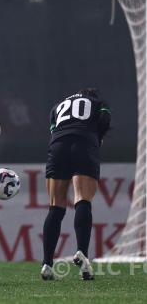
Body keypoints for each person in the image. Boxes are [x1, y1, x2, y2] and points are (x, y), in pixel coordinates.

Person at [41, 88, 111, 281]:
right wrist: (98, 138)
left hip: (58, 145)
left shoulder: (57, 106)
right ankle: (82, 253)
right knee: (82, 198)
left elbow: (53, 127)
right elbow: (104, 120)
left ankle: (47, 264)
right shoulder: (98, 103)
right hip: (84, 142)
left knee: (56, 205)